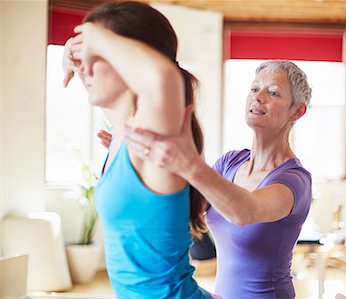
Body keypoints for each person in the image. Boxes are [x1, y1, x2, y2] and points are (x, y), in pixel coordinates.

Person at [62, 2, 215, 298]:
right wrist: (78, 52)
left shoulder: (154, 133)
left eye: (97, 55)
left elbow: (162, 76)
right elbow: (103, 81)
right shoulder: (125, 129)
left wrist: (96, 36)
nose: (85, 67)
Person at [124, 60, 313, 298]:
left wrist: (188, 162)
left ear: (297, 110)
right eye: (254, 89)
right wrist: (137, 153)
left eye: (273, 92)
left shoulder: (295, 180)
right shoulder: (229, 163)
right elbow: (187, 209)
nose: (259, 97)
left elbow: (245, 211)